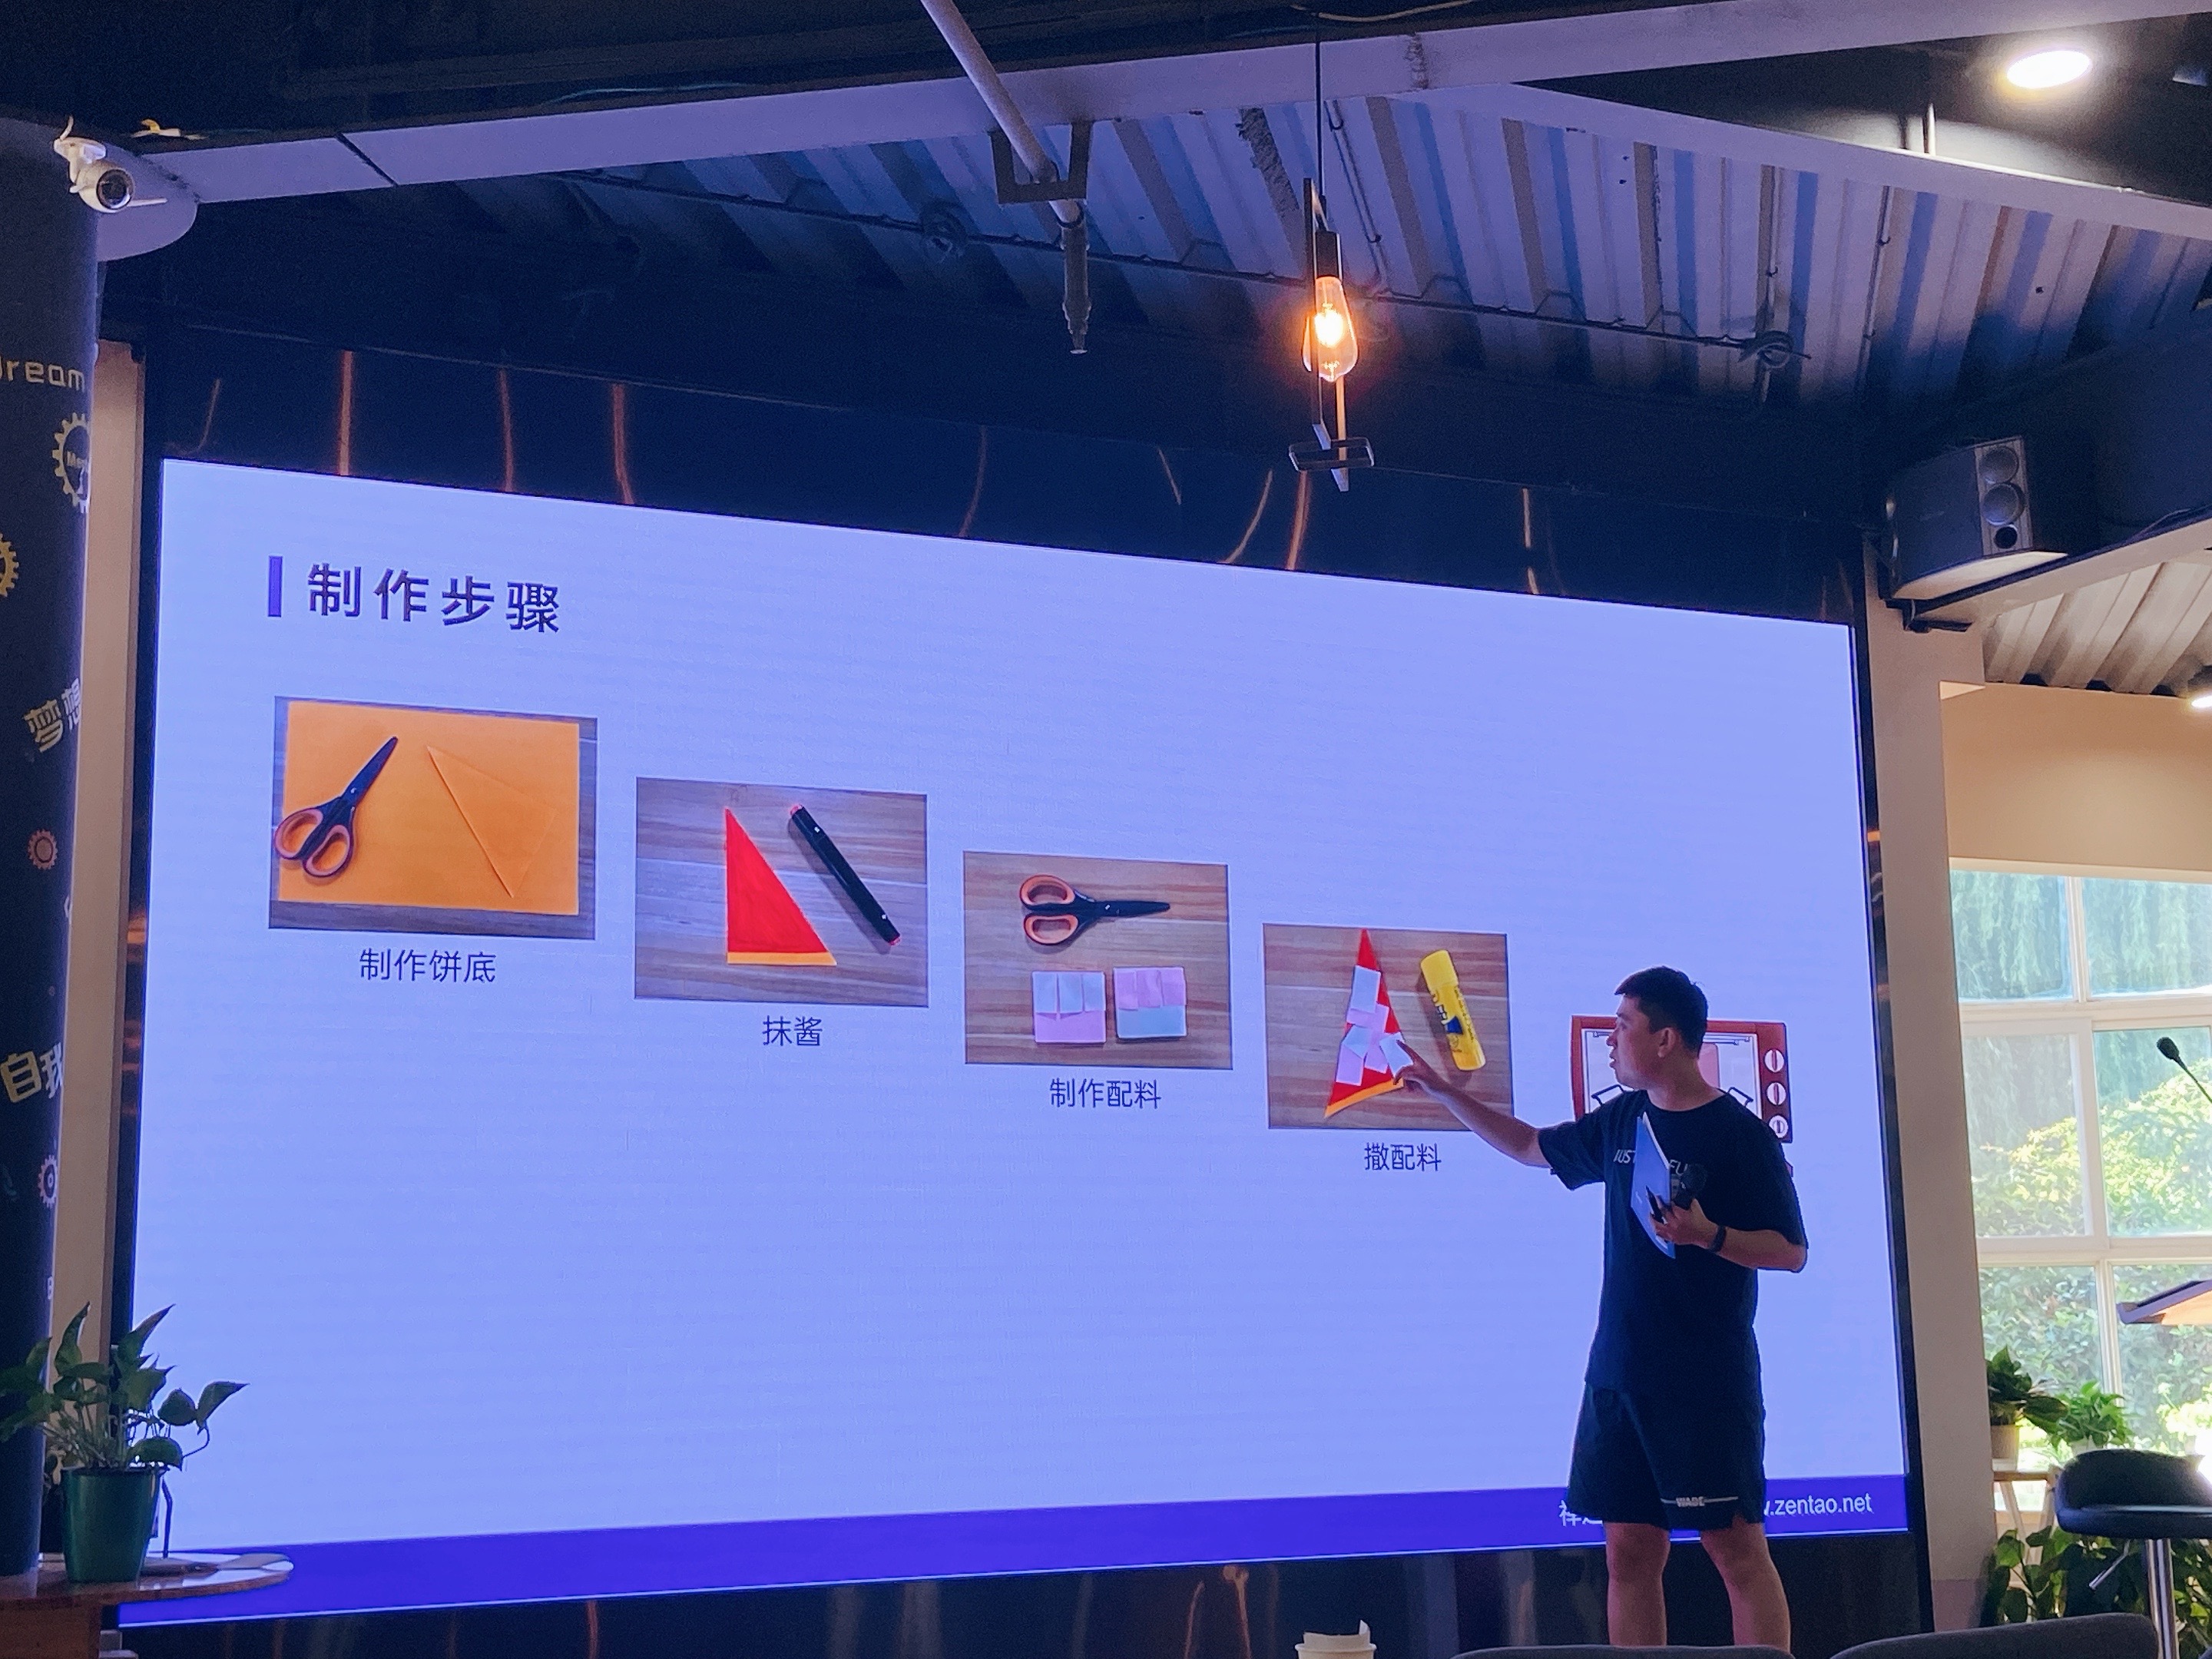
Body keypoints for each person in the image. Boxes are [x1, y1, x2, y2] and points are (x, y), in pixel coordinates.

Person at [1398, 966, 1807, 1650]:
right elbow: (1531, 1146)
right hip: (1619, 1376)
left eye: (1623, 1025)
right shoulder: (1624, 1117)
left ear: (1665, 1040)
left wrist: (1709, 1235)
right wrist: (1446, 1093)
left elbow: (1790, 1250)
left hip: (1704, 1382)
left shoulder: (1740, 1134)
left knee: (1736, 1552)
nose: (1612, 1040)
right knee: (1629, 1554)